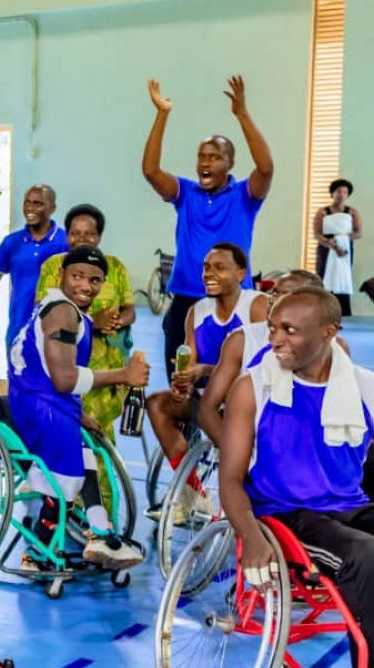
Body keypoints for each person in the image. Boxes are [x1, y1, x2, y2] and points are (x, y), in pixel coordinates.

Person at [219, 287, 374, 667]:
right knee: (366, 556)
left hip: (348, 506)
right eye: (273, 327)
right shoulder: (253, 387)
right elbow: (230, 479)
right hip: (286, 516)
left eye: (290, 330)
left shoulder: (364, 387)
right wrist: (250, 537)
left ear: (328, 332)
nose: (275, 340)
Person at [8, 245, 149, 570]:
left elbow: (53, 372)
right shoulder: (62, 312)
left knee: (86, 456)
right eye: (78, 276)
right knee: (63, 480)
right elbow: (64, 378)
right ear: (62, 274)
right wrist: (124, 375)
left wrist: (79, 414)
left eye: (95, 280)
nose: (86, 285)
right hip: (40, 403)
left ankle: (100, 532)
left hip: (48, 399)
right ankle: (38, 553)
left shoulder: (69, 310)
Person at [142, 75, 274, 381]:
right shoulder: (186, 193)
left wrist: (242, 114)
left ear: (230, 164)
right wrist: (162, 114)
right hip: (186, 298)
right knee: (181, 380)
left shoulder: (244, 196)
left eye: (215, 157)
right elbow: (150, 171)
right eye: (201, 156)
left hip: (233, 299)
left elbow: (266, 168)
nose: (205, 162)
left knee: (237, 378)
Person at [145, 243, 268, 521]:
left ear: (240, 273)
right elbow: (190, 360)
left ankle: (245, 485)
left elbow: (262, 368)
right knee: (157, 404)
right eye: (206, 267)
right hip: (208, 402)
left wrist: (205, 370)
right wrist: (184, 381)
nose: (209, 273)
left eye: (219, 267)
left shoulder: (256, 305)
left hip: (247, 407)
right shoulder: (197, 311)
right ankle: (193, 495)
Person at [198, 271, 340, 444]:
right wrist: (236, 452)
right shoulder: (242, 340)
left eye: (286, 295)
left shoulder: (332, 347)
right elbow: (207, 409)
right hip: (252, 439)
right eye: (274, 293)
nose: (274, 300)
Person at [34, 204, 134, 441]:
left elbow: (130, 310)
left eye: (89, 233)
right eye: (75, 233)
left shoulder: (115, 266)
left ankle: (100, 465)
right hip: (66, 355)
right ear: (67, 235)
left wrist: (115, 322)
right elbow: (44, 310)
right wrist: (93, 322)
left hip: (106, 359)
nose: (81, 238)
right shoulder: (54, 266)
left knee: (100, 428)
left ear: (99, 236)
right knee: (70, 422)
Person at [0, 183, 66, 373]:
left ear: (52, 208)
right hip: (18, 332)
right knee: (17, 387)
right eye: (27, 203)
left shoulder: (65, 241)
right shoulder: (12, 242)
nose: (30, 208)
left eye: (38, 203)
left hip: (56, 335)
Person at [314, 178, 361, 317]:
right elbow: (317, 233)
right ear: (332, 193)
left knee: (343, 278)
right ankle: (323, 311)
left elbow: (358, 232)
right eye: (338, 191)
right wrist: (330, 243)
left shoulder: (352, 212)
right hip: (326, 248)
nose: (341, 195)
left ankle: (344, 311)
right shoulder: (322, 212)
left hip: (345, 248)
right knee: (323, 276)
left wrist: (344, 239)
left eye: (345, 192)